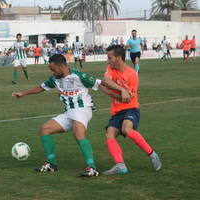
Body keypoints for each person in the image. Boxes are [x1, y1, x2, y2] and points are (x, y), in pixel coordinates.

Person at [12, 54, 130, 177]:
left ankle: (92, 168)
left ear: (61, 66)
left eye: (53, 69)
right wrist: (23, 93)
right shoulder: (55, 79)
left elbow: (101, 85)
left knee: (77, 131)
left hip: (83, 108)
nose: (51, 72)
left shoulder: (78, 76)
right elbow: (41, 87)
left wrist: (120, 92)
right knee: (44, 130)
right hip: (69, 112)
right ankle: (51, 164)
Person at [99, 45, 162, 175]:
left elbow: (127, 99)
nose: (108, 60)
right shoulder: (110, 68)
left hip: (131, 109)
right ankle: (120, 165)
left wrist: (110, 91)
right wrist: (121, 90)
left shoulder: (132, 74)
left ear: (118, 58)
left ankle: (152, 155)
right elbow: (105, 80)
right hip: (117, 111)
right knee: (109, 134)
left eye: (110, 57)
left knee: (126, 129)